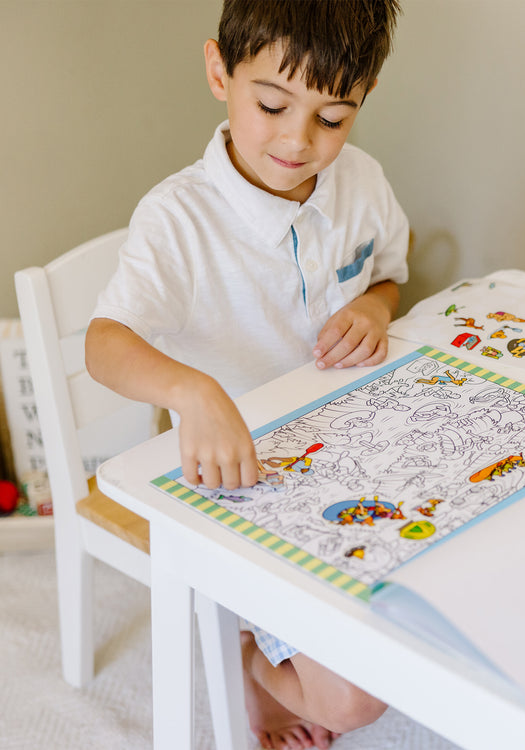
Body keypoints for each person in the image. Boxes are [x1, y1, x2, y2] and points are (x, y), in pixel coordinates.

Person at [85, 1, 407, 748]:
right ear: (218, 71)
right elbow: (105, 343)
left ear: (364, 100)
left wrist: (378, 308)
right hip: (245, 478)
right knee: (354, 701)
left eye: (333, 118)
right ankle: (250, 658)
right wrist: (191, 391)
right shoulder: (177, 219)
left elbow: (391, 271)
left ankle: (274, 650)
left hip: (354, 447)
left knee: (449, 601)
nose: (299, 141)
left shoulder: (361, 181)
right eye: (271, 105)